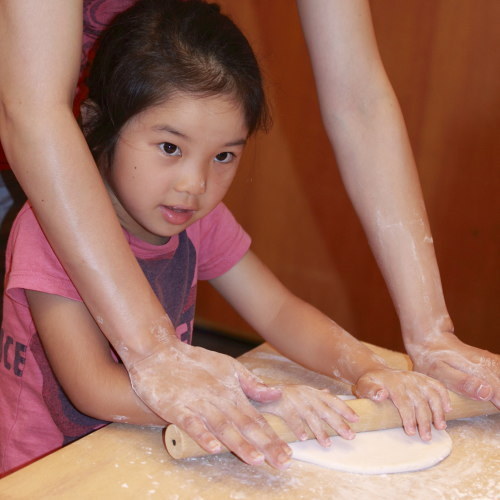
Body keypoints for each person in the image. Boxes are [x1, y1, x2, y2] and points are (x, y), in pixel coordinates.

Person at [0, 0, 497, 471]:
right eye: (170, 147)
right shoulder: (48, 230)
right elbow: (91, 387)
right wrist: (259, 404)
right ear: (96, 123)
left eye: (223, 157)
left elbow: (279, 311)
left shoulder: (196, 219)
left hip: (137, 444)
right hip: (42, 467)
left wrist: (370, 369)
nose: (194, 186)